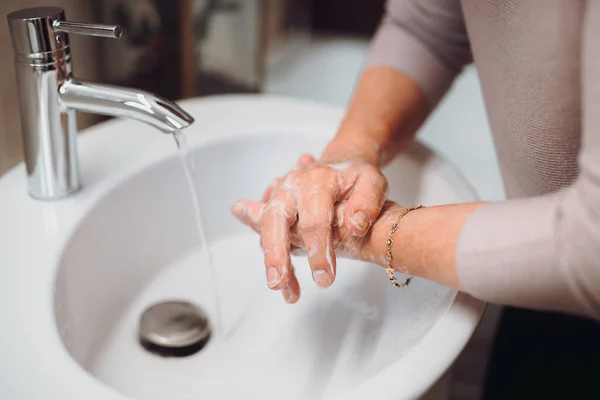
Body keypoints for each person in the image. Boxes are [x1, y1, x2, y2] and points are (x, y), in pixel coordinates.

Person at [232, 1, 600, 396]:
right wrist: (349, 154)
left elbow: (590, 248)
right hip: (537, 288)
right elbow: (427, 27)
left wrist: (364, 231)